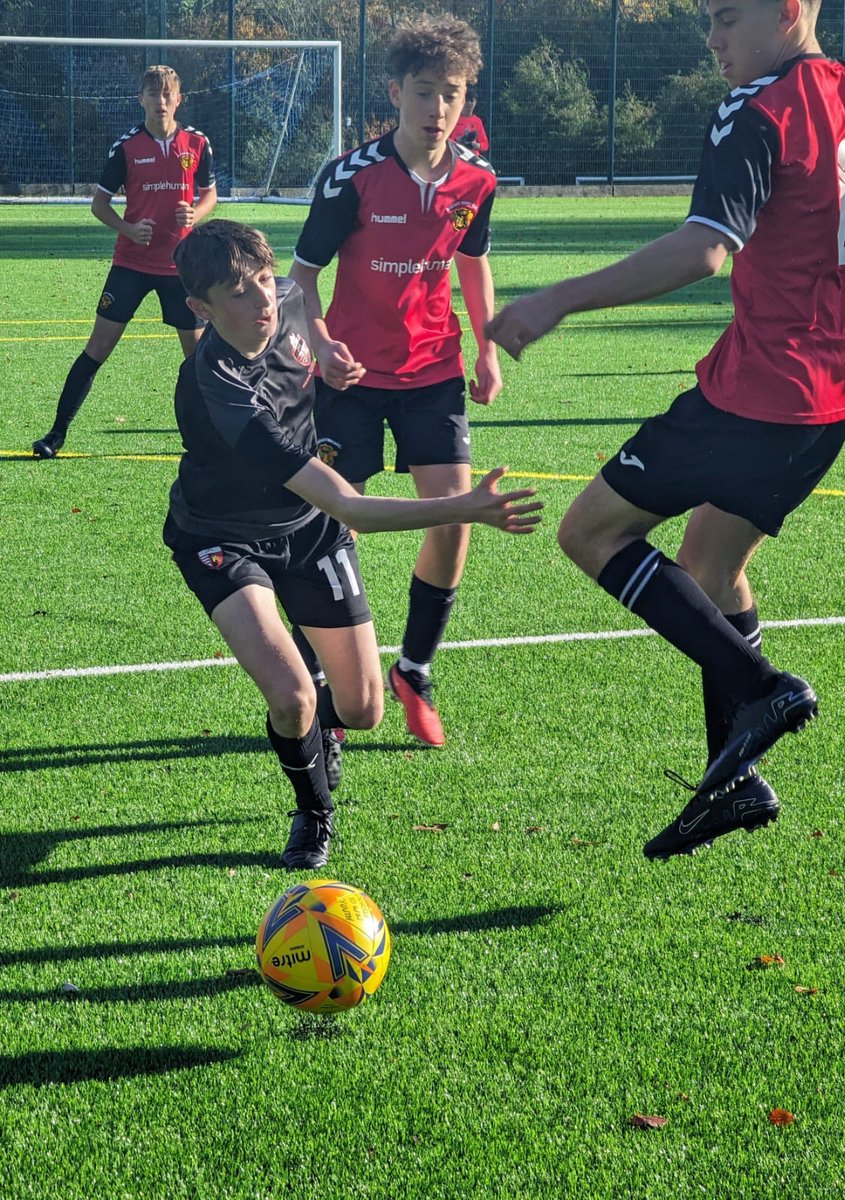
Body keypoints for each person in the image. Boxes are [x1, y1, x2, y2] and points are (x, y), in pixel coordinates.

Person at [487, 0, 845, 859]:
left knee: (590, 531)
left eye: (722, 17)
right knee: (711, 565)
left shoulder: (755, 109)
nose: (710, 40)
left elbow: (703, 249)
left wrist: (556, 298)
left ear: (787, 11)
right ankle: (732, 776)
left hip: (754, 396)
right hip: (831, 401)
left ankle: (758, 690)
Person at [164, 219, 540, 871]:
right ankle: (313, 816)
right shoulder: (219, 388)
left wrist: (328, 353)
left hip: (305, 532)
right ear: (199, 308)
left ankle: (324, 720)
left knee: (363, 710)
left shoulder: (284, 297)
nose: (260, 302)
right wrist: (465, 508)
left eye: (260, 281)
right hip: (223, 538)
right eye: (237, 293)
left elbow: (302, 304)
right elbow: (345, 504)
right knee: (291, 696)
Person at [289, 13, 500, 750]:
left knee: (452, 518)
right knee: (326, 525)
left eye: (450, 94)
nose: (436, 110)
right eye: (422, 93)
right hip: (348, 377)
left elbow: (470, 259)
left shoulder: (478, 178)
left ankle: (414, 667)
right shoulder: (350, 176)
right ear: (394, 93)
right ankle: (323, 679)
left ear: (464, 95)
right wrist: (318, 342)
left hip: (433, 371)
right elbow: (301, 278)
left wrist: (486, 346)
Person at [33, 65, 217, 459]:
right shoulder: (127, 147)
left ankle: (211, 439)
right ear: (141, 99)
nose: (161, 101)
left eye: (168, 94)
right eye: (153, 93)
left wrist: (195, 214)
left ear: (179, 99)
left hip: (182, 268)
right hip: (131, 265)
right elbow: (99, 204)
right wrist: (128, 228)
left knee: (198, 359)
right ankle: (56, 433)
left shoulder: (197, 143)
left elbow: (210, 196)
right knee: (96, 348)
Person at [451, 86, 489, 156]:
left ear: (475, 102)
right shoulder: (454, 119)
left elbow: (485, 145)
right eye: (466, 100)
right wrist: (458, 140)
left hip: (472, 158)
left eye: (471, 100)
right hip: (457, 156)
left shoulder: (477, 121)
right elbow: (446, 142)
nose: (469, 103)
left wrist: (475, 145)